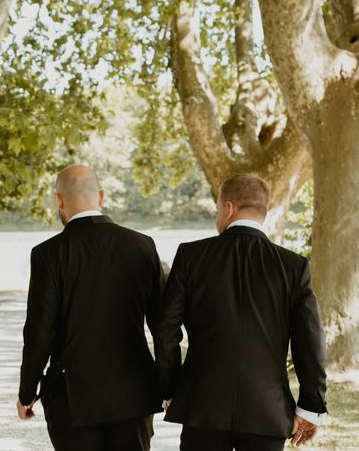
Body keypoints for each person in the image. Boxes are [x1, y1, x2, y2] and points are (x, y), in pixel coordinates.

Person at [155, 174, 327, 450]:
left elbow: (166, 330)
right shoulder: (293, 267)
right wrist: (310, 406)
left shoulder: (191, 257)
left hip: (203, 405)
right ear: (264, 211)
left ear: (228, 208)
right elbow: (310, 339)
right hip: (267, 410)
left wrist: (171, 390)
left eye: (217, 210)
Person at [17, 164, 164, 451]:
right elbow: (162, 324)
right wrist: (169, 386)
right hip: (133, 395)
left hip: (73, 398)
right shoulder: (142, 246)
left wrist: (27, 392)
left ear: (59, 200)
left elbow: (40, 331)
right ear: (101, 196)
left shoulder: (49, 254)